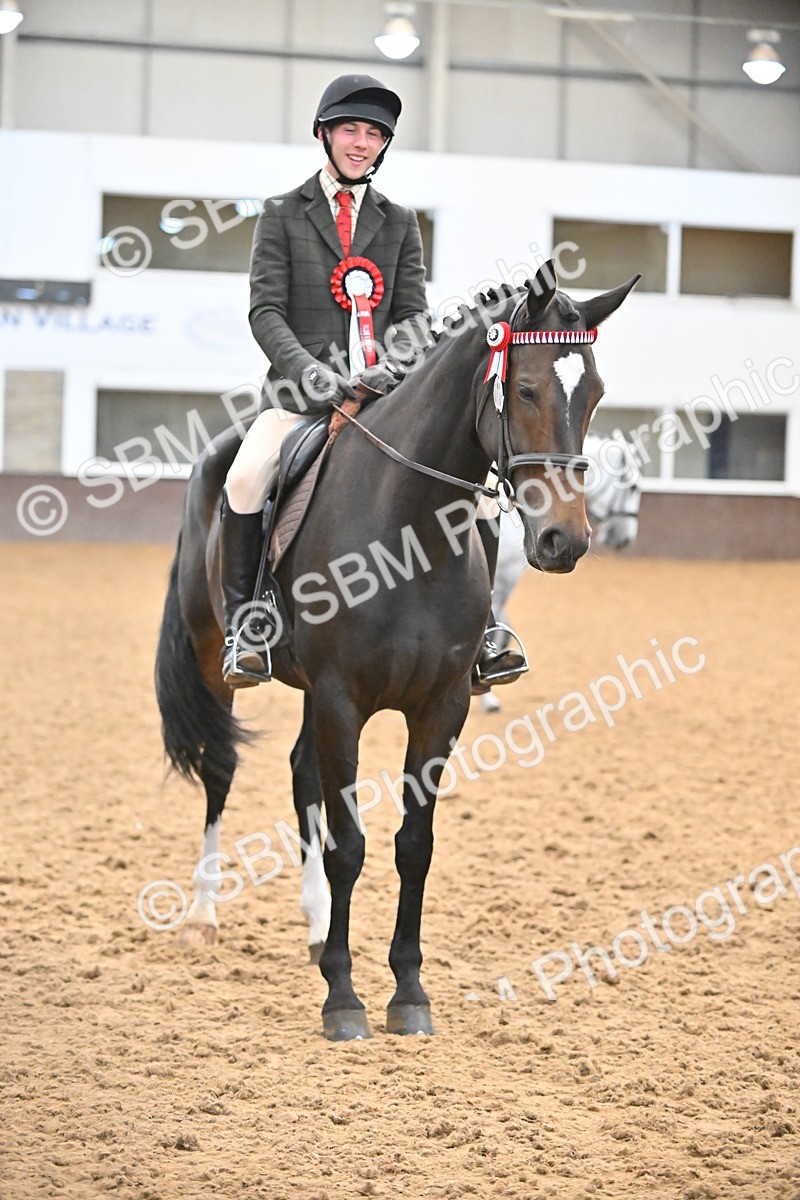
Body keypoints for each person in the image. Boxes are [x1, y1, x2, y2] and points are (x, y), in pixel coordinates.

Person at [220, 73, 527, 692]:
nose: (361, 143)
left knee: (483, 495)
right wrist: (313, 372)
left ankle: (484, 630)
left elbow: (414, 313)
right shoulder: (281, 214)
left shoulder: (400, 221)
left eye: (373, 134)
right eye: (350, 130)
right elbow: (266, 312)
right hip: (301, 399)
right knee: (245, 476)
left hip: (387, 398)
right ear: (324, 134)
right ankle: (247, 625)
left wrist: (396, 365)